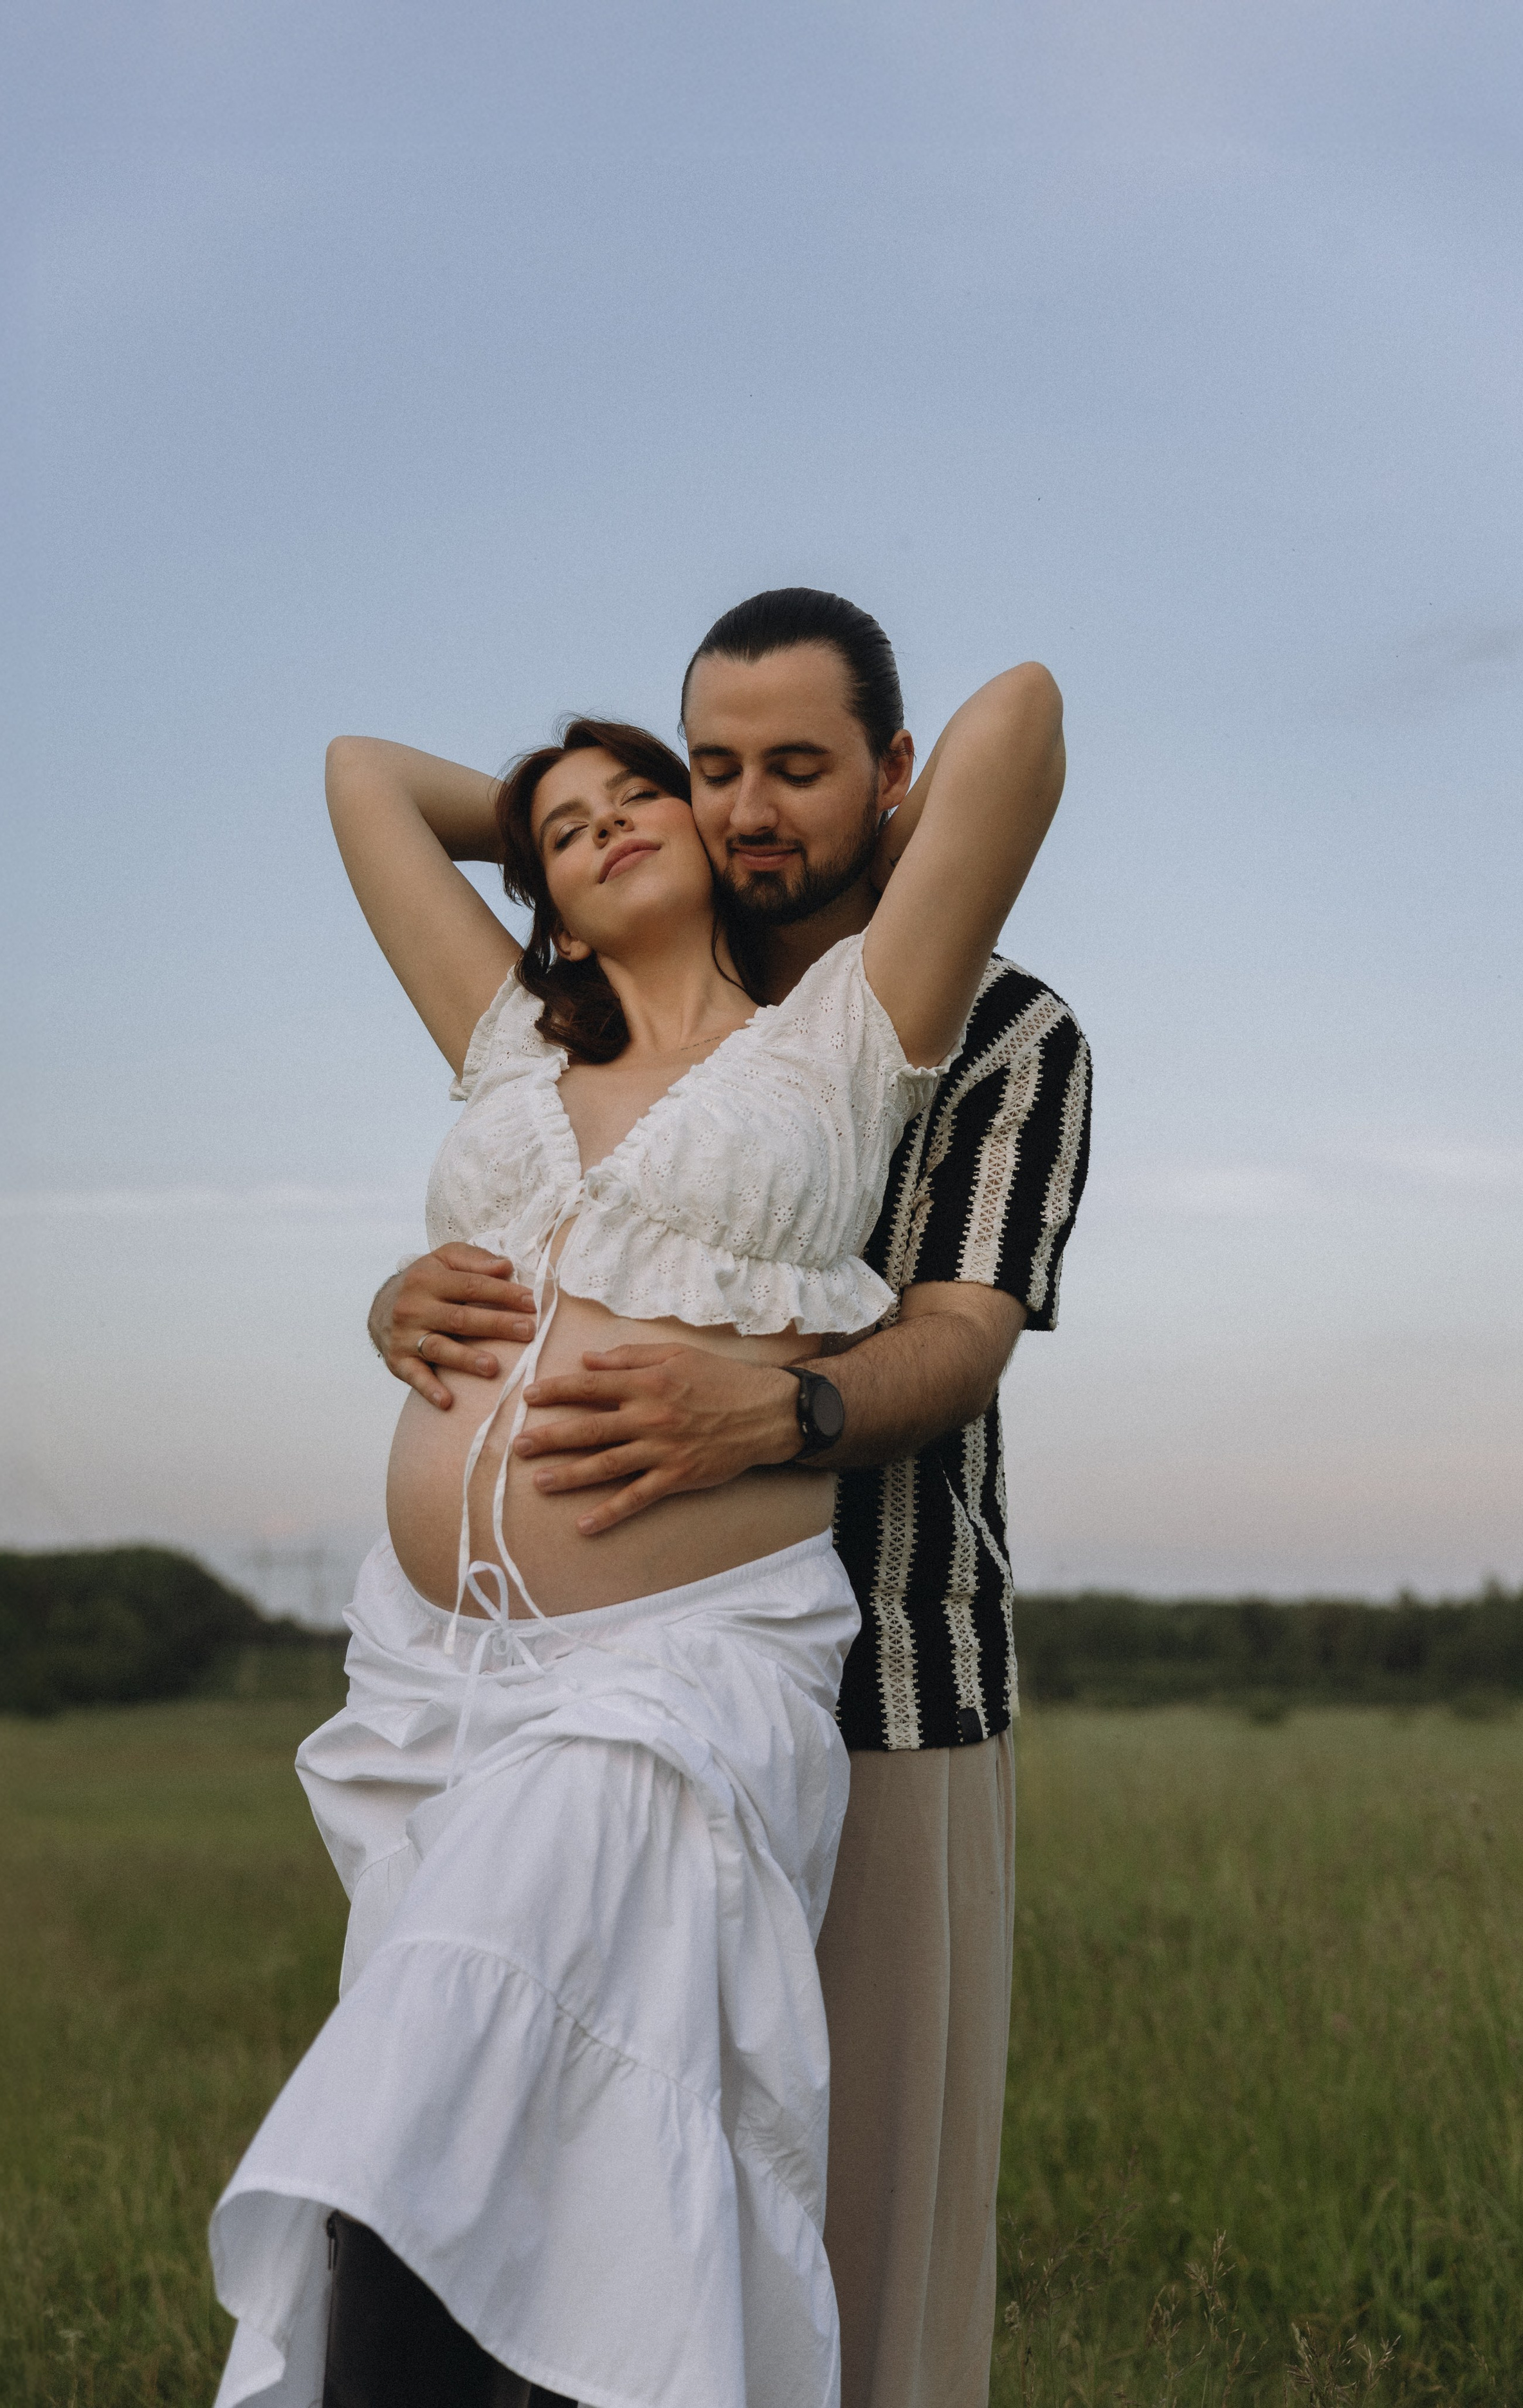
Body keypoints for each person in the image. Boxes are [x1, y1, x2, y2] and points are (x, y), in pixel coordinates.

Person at [209, 637, 1064, 2408]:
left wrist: (723, 818)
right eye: (568, 827)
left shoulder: (846, 1040)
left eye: (648, 798)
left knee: (453, 2094)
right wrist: (552, 815)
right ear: (542, 901)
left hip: (680, 1662)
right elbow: (364, 770)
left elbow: (1024, 717)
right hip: (442, 1676)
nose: (639, 823)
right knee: (495, 2131)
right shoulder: (517, 1030)